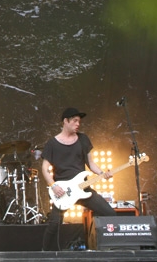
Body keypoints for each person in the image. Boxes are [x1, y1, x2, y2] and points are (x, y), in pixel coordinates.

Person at [41, 107, 115, 251]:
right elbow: (45, 168)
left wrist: (102, 173)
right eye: (74, 121)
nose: (78, 124)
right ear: (65, 121)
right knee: (54, 224)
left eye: (79, 121)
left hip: (83, 188)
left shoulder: (83, 139)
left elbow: (91, 163)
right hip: (63, 191)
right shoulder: (52, 144)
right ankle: (44, 253)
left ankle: (101, 247)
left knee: (110, 213)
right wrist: (53, 186)